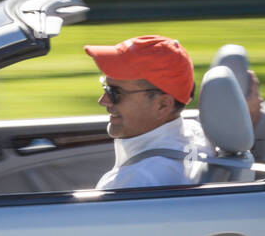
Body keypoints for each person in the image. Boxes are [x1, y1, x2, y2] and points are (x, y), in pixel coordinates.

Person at [84, 34, 208, 190]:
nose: (103, 100)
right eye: (105, 88)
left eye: (115, 92)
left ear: (162, 105)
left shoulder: (135, 181)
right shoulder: (197, 133)